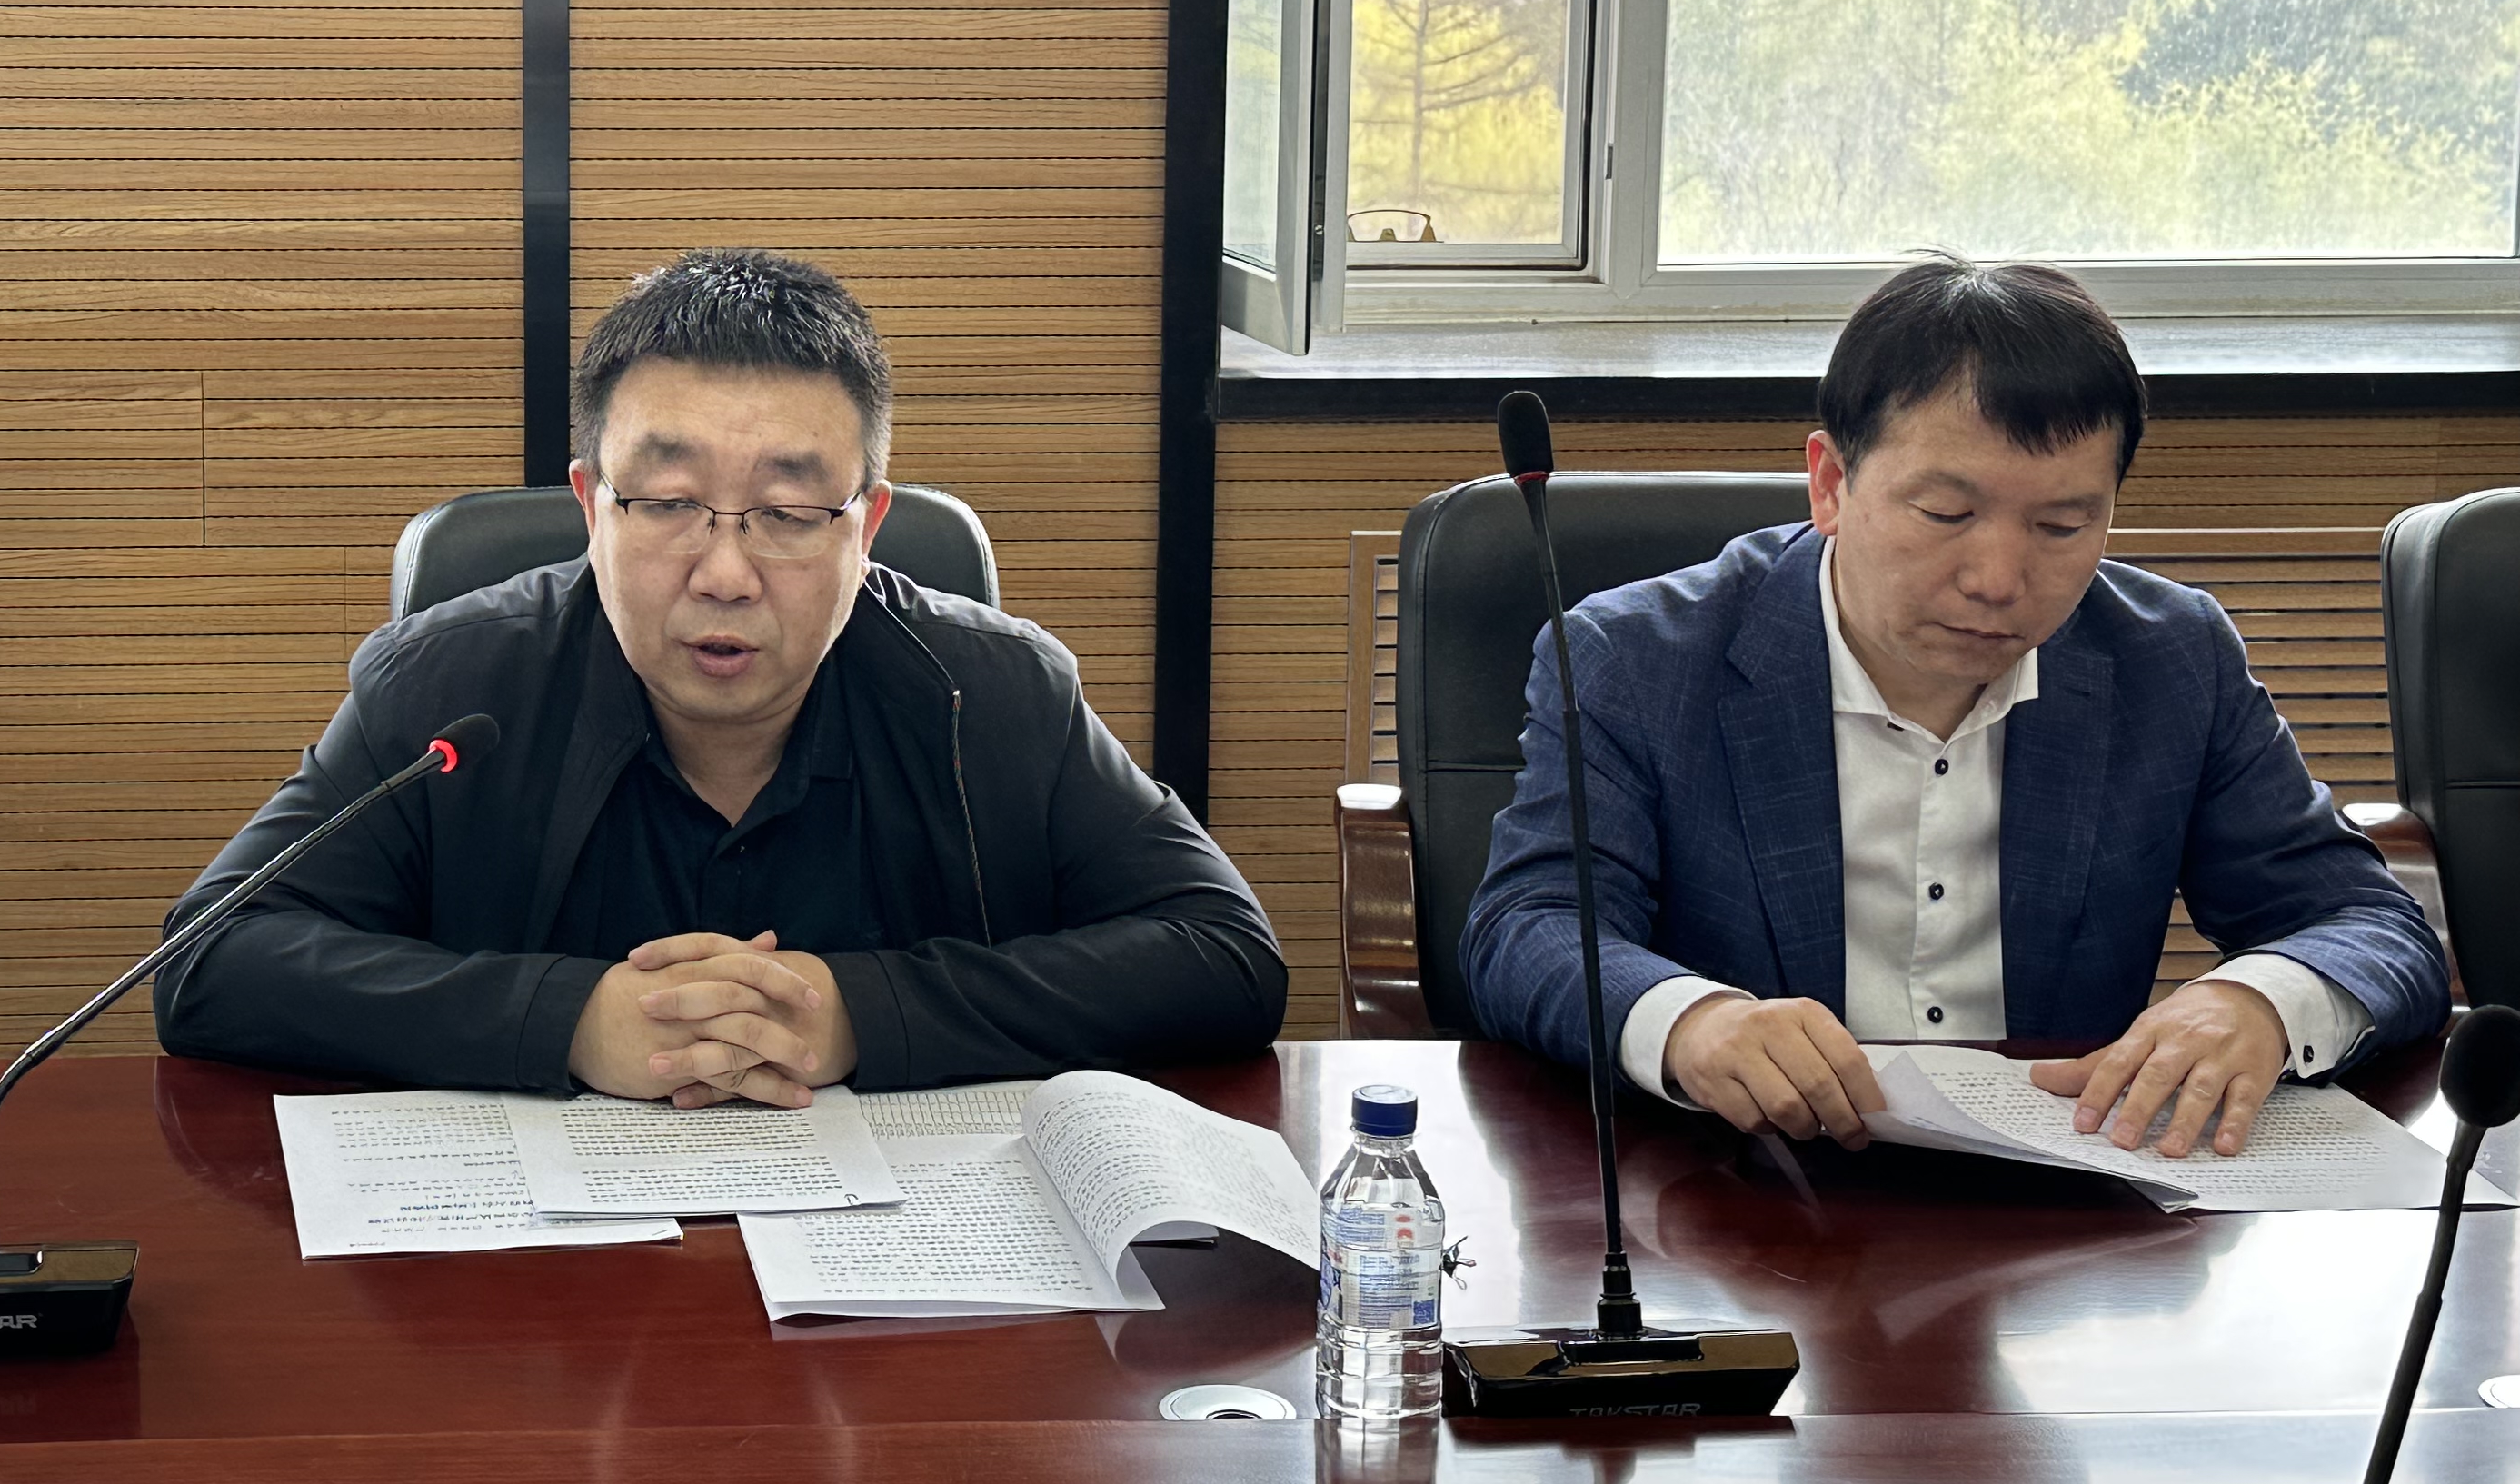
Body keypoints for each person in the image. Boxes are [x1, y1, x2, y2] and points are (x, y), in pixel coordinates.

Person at [154, 248, 1285, 1101]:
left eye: (789, 513)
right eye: (667, 503)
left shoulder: (988, 693)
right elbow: (209, 960)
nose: (726, 573)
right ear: (592, 506)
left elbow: (1225, 957)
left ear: (866, 527)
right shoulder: (452, 685)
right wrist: (566, 1020)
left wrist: (859, 1013)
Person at [1461, 257, 2447, 1161]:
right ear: (1831, 484)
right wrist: (1692, 1020)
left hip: (2061, 1200)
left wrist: (2258, 1001)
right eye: (1947, 514)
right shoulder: (1636, 658)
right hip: (1734, 1189)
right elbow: (1529, 926)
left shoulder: (2167, 656)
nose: (1998, 579)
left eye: (2062, 524)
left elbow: (2368, 921)